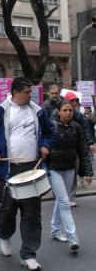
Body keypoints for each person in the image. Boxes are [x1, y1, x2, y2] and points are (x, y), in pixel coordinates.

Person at [0, 77, 55, 271]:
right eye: (27, 92)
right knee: (7, 210)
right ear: (16, 92)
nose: (31, 95)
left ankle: (29, 253)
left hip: (32, 168)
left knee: (32, 213)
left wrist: (45, 145)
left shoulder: (38, 110)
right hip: (8, 170)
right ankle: (5, 235)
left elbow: (50, 131)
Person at [47, 100, 93, 253]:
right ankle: (73, 237)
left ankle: (55, 230)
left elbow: (82, 150)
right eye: (65, 110)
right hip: (54, 169)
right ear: (58, 112)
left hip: (69, 168)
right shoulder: (51, 127)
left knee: (61, 200)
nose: (68, 113)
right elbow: (43, 147)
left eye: (70, 110)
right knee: (65, 202)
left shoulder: (77, 127)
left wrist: (88, 172)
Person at [63, 92, 95, 206]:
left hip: (76, 147)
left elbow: (86, 128)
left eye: (75, 101)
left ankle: (70, 197)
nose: (74, 103)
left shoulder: (79, 117)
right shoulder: (55, 115)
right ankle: (60, 195)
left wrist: (90, 143)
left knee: (73, 170)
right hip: (61, 149)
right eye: (72, 101)